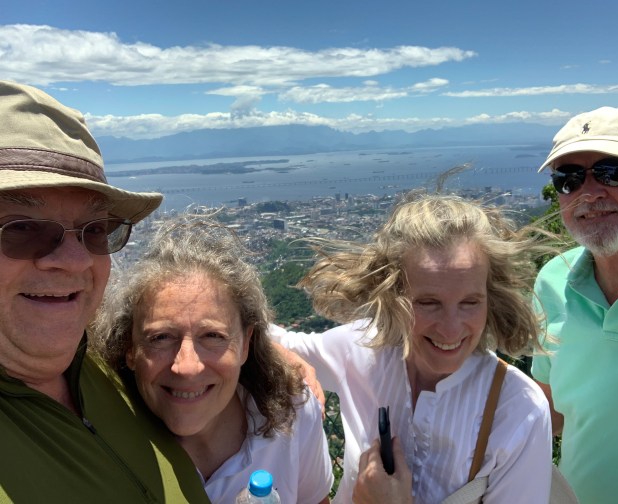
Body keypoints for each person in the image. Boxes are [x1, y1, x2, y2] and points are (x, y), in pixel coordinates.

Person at [0, 80, 209, 502]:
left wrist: (270, 360)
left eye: (95, 230)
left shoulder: (115, 363)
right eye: (22, 228)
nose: (76, 260)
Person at [272, 192, 553, 503]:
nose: (451, 328)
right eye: (428, 303)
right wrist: (286, 357)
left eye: (470, 302)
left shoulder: (517, 411)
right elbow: (269, 340)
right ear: (393, 296)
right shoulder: (363, 348)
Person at [92, 217, 333, 504]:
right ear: (130, 349)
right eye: (161, 338)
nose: (187, 366)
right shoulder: (102, 445)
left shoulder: (291, 412)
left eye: (212, 336)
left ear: (245, 344)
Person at [532, 106, 618, 503]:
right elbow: (551, 411)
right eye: (569, 179)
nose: (589, 193)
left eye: (614, 172)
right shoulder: (552, 281)